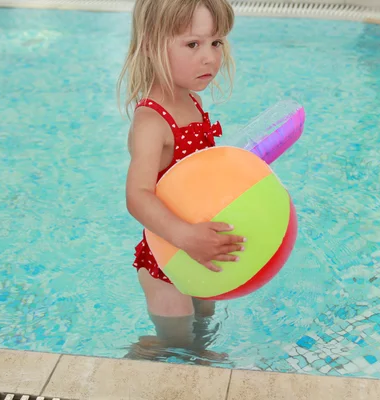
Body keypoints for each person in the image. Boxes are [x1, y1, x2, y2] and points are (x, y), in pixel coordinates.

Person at [117, 0, 245, 354]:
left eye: (216, 43)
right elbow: (138, 195)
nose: (210, 57)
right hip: (166, 259)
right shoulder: (151, 122)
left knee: (204, 323)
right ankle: (136, 362)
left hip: (197, 248)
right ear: (151, 45)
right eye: (193, 44)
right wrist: (185, 235)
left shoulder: (190, 100)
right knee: (175, 344)